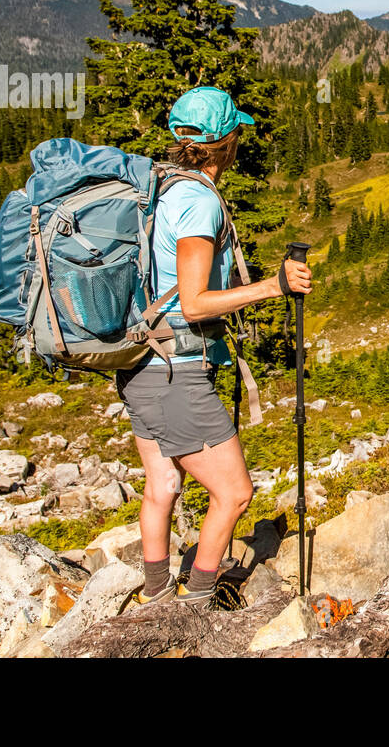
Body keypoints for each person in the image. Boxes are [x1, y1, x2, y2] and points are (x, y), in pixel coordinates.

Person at [118, 86, 313, 607]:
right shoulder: (199, 200)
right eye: (237, 132)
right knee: (234, 493)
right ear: (226, 141)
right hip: (176, 370)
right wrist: (275, 286)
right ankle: (196, 602)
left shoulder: (161, 188)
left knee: (162, 487)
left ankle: (155, 597)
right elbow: (195, 302)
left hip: (142, 364)